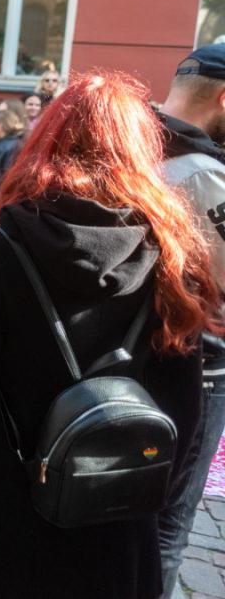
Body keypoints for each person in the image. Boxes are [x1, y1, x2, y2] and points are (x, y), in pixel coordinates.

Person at [0, 71, 217, 599]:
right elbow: (185, 406)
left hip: (1, 515)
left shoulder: (6, 241)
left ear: (46, 140)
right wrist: (143, 489)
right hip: (114, 520)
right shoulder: (173, 251)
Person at [155, 47, 225, 597]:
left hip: (130, 352)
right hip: (198, 363)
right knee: (169, 523)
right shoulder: (204, 174)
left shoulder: (133, 144)